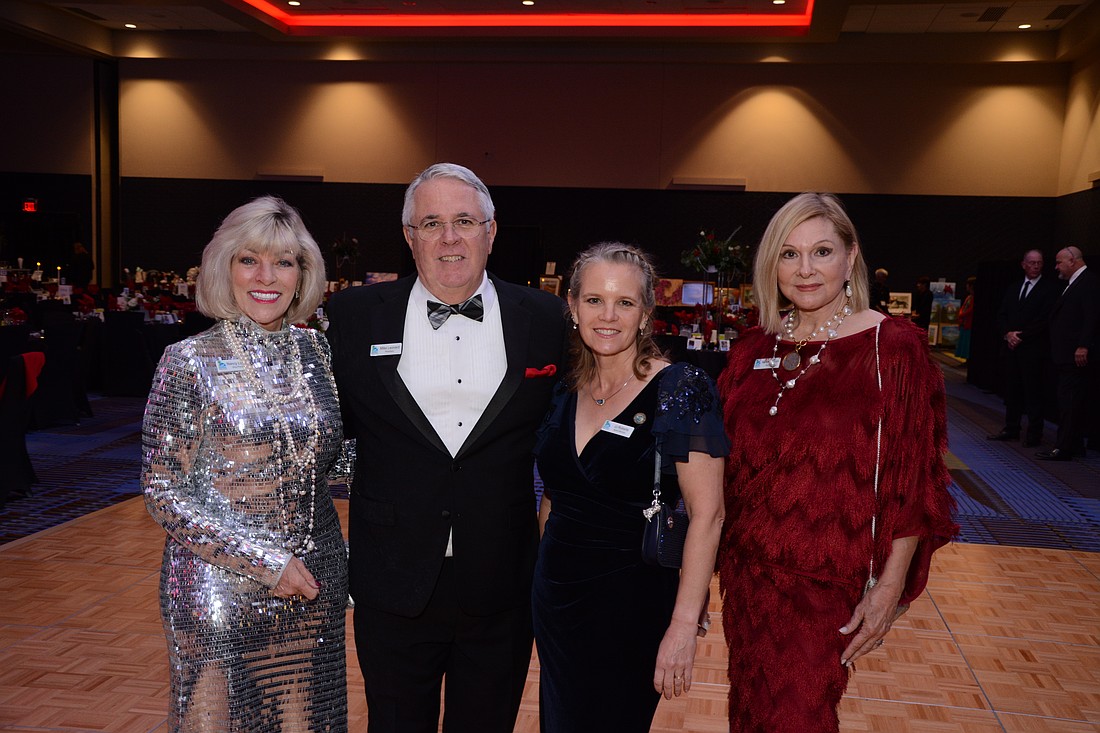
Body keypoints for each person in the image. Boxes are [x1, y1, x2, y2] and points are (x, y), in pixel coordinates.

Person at [325, 162, 568, 733]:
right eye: (431, 222)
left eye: (464, 220)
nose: (449, 237)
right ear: (409, 236)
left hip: (501, 577)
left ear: (491, 231)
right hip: (393, 576)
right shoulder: (354, 317)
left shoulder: (545, 318)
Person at [717, 192, 958, 733]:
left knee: (797, 716)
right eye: (789, 254)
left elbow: (913, 478)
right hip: (749, 574)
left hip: (826, 580)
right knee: (751, 713)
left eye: (822, 252)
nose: (805, 270)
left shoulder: (889, 345)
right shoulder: (754, 346)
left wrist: (890, 586)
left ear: (850, 258)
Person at [142, 196, 349, 732]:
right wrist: (262, 562)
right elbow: (162, 490)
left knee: (305, 720)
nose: (267, 277)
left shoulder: (317, 353)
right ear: (223, 266)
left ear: (303, 274)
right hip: (216, 583)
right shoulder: (189, 360)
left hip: (312, 576)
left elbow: (329, 462)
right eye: (248, 259)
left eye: (284, 262)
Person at [532, 242, 728, 733]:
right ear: (572, 306)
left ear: (645, 314)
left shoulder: (682, 388)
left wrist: (684, 625)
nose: (608, 315)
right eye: (595, 300)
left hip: (632, 606)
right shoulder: (564, 388)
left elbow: (709, 515)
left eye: (625, 302)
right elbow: (555, 495)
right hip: (557, 602)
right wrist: (539, 575)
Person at [989, 250, 1057, 446]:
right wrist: (1007, 334)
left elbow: (1044, 320)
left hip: (1034, 350)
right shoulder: (1013, 288)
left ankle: (1034, 434)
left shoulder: (1049, 289)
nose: (1035, 266)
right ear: (1023, 265)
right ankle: (1011, 428)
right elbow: (1002, 315)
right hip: (1011, 350)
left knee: (1033, 392)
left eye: (1039, 263)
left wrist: (1021, 336)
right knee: (1012, 390)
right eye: (1032, 263)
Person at [1037, 246, 1098, 461]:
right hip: (1066, 354)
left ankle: (1063, 447)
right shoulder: (1074, 283)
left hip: (1075, 354)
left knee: (1069, 401)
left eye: (1059, 262)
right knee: (1070, 400)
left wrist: (1083, 345)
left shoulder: (1088, 282)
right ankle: (1074, 444)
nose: (1056, 267)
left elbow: (1091, 317)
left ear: (1072, 260)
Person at [954, 276, 975, 361]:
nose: (966, 286)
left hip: (969, 323)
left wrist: (962, 315)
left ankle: (968, 359)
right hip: (964, 323)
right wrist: (960, 314)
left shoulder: (974, 297)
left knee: (967, 343)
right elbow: (963, 308)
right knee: (964, 341)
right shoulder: (969, 297)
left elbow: (971, 310)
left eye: (968, 285)